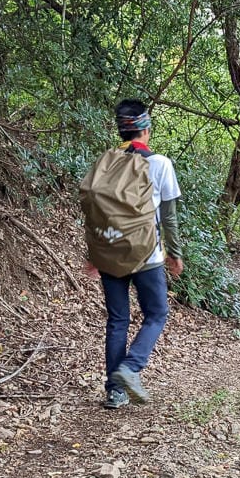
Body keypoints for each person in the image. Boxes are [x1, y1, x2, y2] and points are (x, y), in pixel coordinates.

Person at [83, 100, 185, 409]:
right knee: (156, 313)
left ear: (121, 131)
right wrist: (175, 253)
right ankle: (130, 367)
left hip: (109, 252)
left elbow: (93, 212)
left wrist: (94, 254)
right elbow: (168, 217)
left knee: (117, 321)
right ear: (146, 130)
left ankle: (115, 391)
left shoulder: (105, 163)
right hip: (147, 256)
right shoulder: (160, 164)